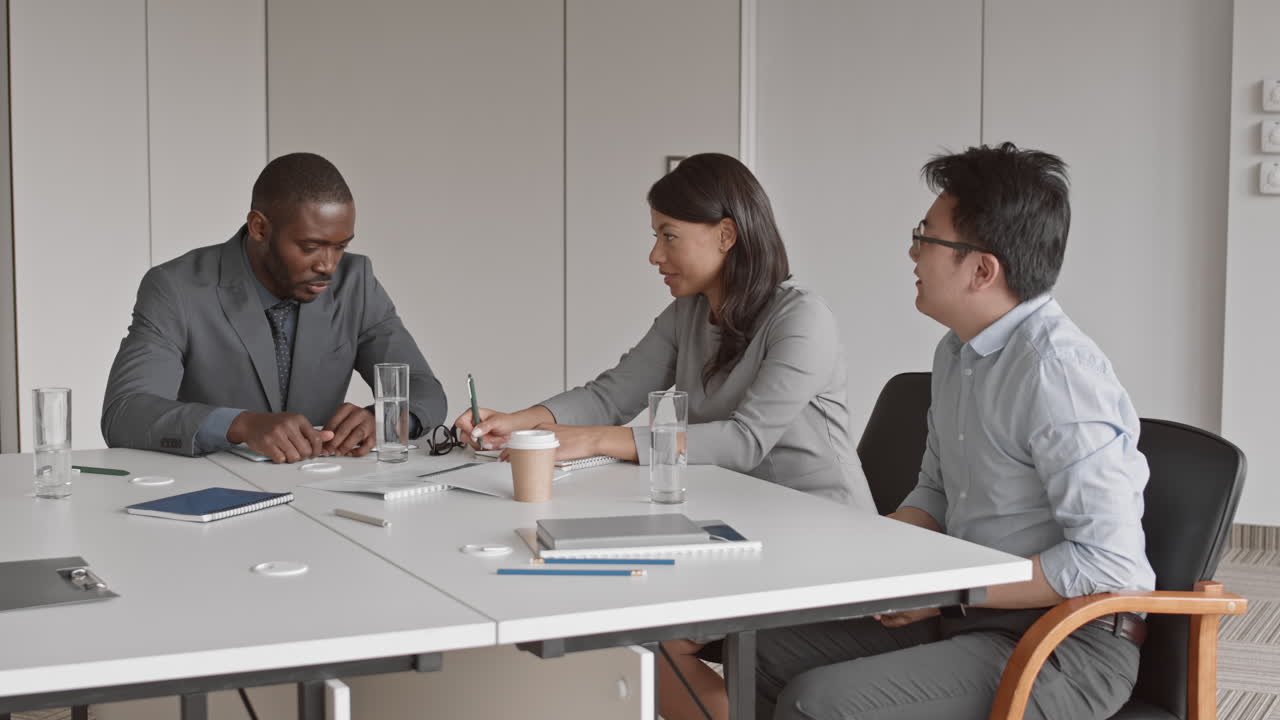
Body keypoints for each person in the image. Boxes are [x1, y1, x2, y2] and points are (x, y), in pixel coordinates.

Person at [687, 143, 1153, 720]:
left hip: (1065, 644)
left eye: (926, 238)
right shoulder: (957, 354)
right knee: (759, 652)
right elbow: (934, 495)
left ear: (982, 269)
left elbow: (1107, 563)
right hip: (970, 613)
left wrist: (948, 592)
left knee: (818, 705)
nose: (912, 251)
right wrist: (864, 561)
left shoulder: (1057, 373)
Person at [454, 152, 875, 720]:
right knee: (637, 627)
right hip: (737, 530)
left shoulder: (803, 319)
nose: (655, 255)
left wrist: (599, 441)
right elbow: (611, 394)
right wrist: (521, 421)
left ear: (726, 235)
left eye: (668, 236)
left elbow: (744, 442)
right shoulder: (688, 314)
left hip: (821, 539)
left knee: (653, 629)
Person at [102, 152, 447, 463]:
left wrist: (383, 419)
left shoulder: (355, 282)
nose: (328, 265)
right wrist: (241, 425)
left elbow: (424, 388)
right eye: (310, 247)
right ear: (259, 228)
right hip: (216, 493)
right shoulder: (177, 287)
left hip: (325, 493)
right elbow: (125, 412)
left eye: (340, 246)